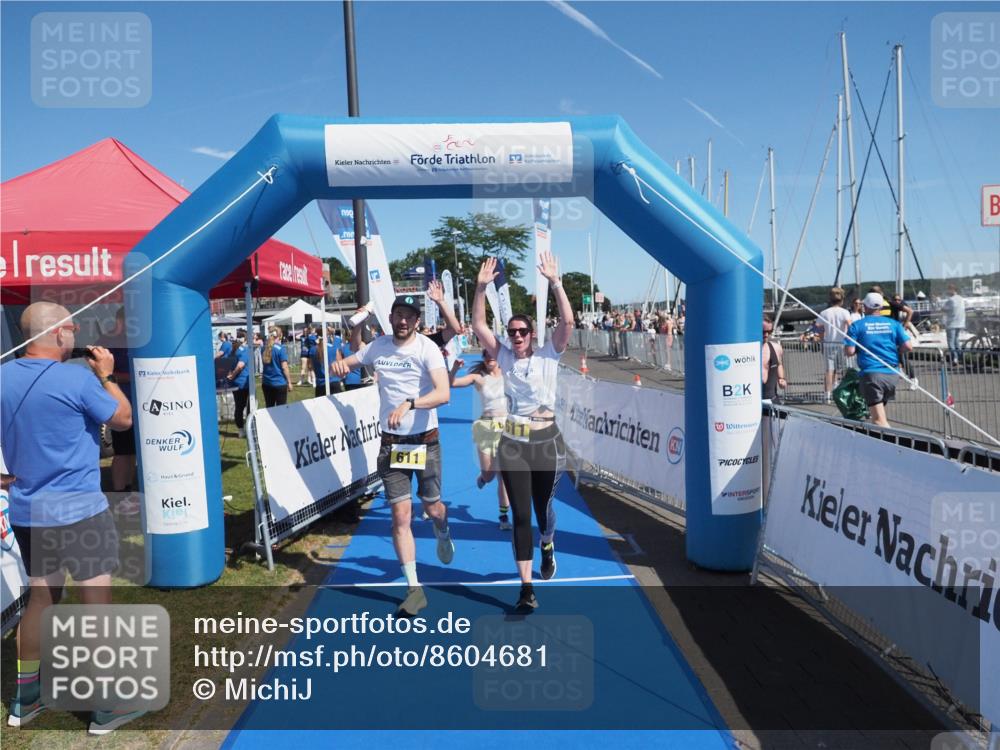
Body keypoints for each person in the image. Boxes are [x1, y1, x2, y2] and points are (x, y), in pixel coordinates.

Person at [1, 302, 141, 733]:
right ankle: (106, 707)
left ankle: (24, 702)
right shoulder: (77, 378)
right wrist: (108, 375)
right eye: (73, 328)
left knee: (41, 601)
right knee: (95, 604)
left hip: (28, 510)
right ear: (59, 332)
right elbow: (123, 419)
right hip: (79, 511)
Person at [331, 294, 452, 617]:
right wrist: (341, 364)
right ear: (391, 316)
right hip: (392, 445)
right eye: (398, 314)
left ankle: (442, 526)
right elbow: (352, 360)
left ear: (417, 321)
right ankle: (415, 590)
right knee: (400, 517)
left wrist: (410, 403)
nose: (402, 320)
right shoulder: (379, 346)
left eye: (408, 316)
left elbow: (443, 393)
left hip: (425, 441)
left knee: (432, 506)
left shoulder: (427, 348)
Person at [471, 252, 572, 611]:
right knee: (521, 516)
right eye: (511, 332)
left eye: (521, 332)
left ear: (532, 334)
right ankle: (526, 588)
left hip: (546, 443)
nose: (515, 336)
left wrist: (556, 282)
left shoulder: (549, 353)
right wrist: (481, 288)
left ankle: (548, 543)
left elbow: (568, 322)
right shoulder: (504, 355)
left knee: (543, 513)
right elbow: (479, 325)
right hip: (513, 441)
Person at [448, 352, 511, 530]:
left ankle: (503, 516)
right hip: (486, 427)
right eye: (486, 355)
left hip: (507, 428)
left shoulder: (509, 374)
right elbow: (451, 384)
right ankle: (483, 477)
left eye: (493, 355)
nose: (489, 358)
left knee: (504, 476)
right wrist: (454, 369)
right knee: (490, 474)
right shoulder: (479, 378)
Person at [844, 292, 913, 428]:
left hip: (872, 374)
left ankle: (892, 445)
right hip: (892, 374)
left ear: (865, 306)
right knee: (878, 414)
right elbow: (908, 346)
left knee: (878, 420)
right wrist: (895, 351)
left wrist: (858, 347)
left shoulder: (857, 325)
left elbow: (849, 351)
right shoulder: (894, 324)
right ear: (881, 307)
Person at [96, 307, 139, 515]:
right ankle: (121, 496)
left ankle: (130, 494)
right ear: (121, 320)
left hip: (142, 405)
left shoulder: (135, 338)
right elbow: (103, 374)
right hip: (121, 406)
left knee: (133, 452)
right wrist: (134, 376)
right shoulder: (107, 341)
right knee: (123, 452)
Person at [816, 288, 852, 404]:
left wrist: (822, 339)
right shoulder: (845, 312)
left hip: (828, 343)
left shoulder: (824, 312)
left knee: (829, 369)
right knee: (841, 369)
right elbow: (850, 326)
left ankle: (827, 395)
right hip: (842, 343)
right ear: (842, 299)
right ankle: (839, 391)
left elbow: (819, 327)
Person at [226, 335, 252, 438]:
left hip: (236, 384)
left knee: (239, 407)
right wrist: (233, 375)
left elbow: (227, 364)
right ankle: (248, 429)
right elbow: (240, 366)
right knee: (249, 407)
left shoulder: (232, 351)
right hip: (244, 384)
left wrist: (230, 375)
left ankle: (241, 429)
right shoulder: (244, 350)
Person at [261, 327, 293, 407]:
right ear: (280, 335)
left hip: (266, 382)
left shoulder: (264, 348)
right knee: (281, 410)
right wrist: (289, 382)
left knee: (269, 408)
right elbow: (284, 367)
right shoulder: (281, 349)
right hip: (279, 383)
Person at [312, 327, 345, 396]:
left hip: (320, 384)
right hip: (334, 382)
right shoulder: (333, 348)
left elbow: (312, 367)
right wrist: (333, 331)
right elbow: (340, 364)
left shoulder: (313, 350)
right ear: (327, 334)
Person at [761, 314, 786, 402]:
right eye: (763, 331)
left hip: (772, 398)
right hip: (752, 402)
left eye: (770, 331)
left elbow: (779, 364)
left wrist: (781, 378)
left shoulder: (776, 348)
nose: (766, 335)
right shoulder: (746, 350)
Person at [942, 284, 966, 367]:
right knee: (956, 340)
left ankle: (954, 359)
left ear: (952, 290)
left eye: (948, 290)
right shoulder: (961, 299)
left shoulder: (950, 300)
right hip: (960, 323)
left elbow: (943, 309)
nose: (948, 292)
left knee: (951, 342)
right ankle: (960, 357)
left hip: (951, 323)